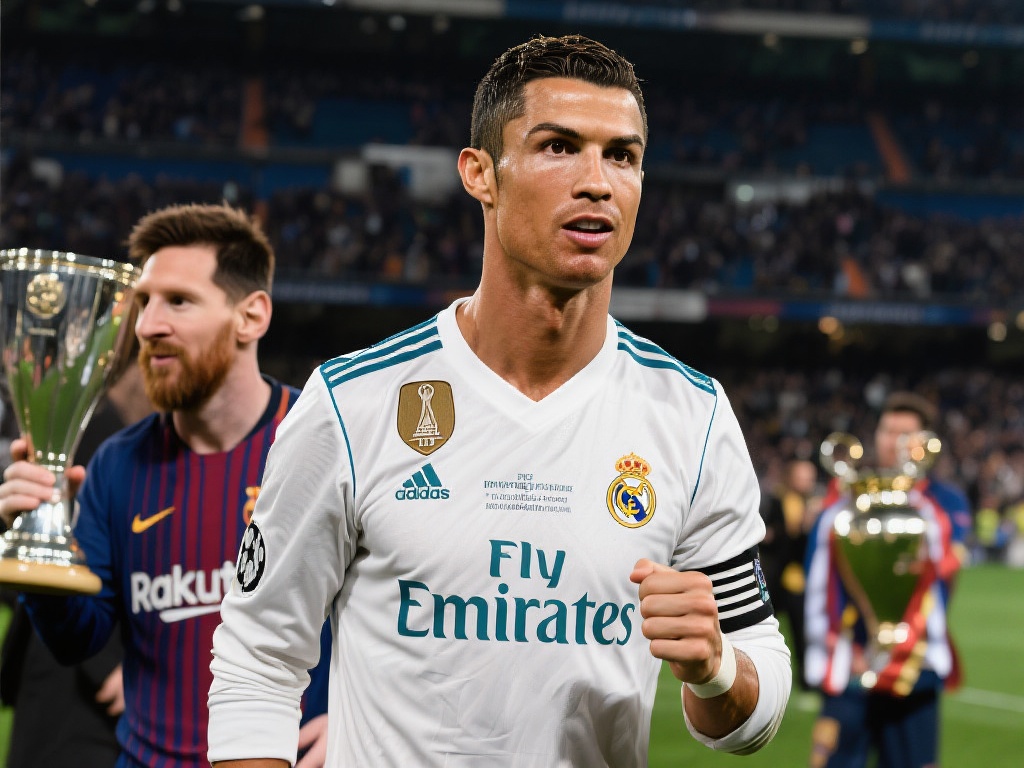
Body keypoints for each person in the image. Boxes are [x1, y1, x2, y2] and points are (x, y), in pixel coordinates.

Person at [208, 34, 791, 767]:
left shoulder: (692, 415)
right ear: (480, 173)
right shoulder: (353, 402)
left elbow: (753, 714)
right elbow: (258, 656)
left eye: (622, 156)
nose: (597, 182)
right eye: (558, 147)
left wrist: (715, 669)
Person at [0, 202, 329, 768]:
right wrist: (43, 547)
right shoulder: (116, 464)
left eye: (178, 301)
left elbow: (404, 612)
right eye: (145, 301)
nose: (148, 326)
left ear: (250, 316)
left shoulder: (325, 445)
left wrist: (353, 714)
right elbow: (77, 640)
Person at [804, 390, 972, 768]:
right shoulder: (846, 500)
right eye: (887, 431)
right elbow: (822, 582)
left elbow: (944, 576)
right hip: (851, 662)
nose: (893, 441)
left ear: (925, 443)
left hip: (915, 666)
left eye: (905, 434)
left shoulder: (944, 504)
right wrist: (837, 646)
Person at [0, 363, 152, 768]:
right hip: (72, 680)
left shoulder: (139, 438)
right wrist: (110, 666)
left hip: (100, 673)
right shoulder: (98, 430)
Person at [760, 457, 821, 692]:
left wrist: (807, 528)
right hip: (774, 578)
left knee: (802, 632)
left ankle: (807, 679)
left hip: (798, 579)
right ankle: (762, 674)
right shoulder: (774, 501)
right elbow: (766, 535)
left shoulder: (815, 507)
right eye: (802, 477)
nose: (806, 482)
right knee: (763, 628)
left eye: (810, 478)